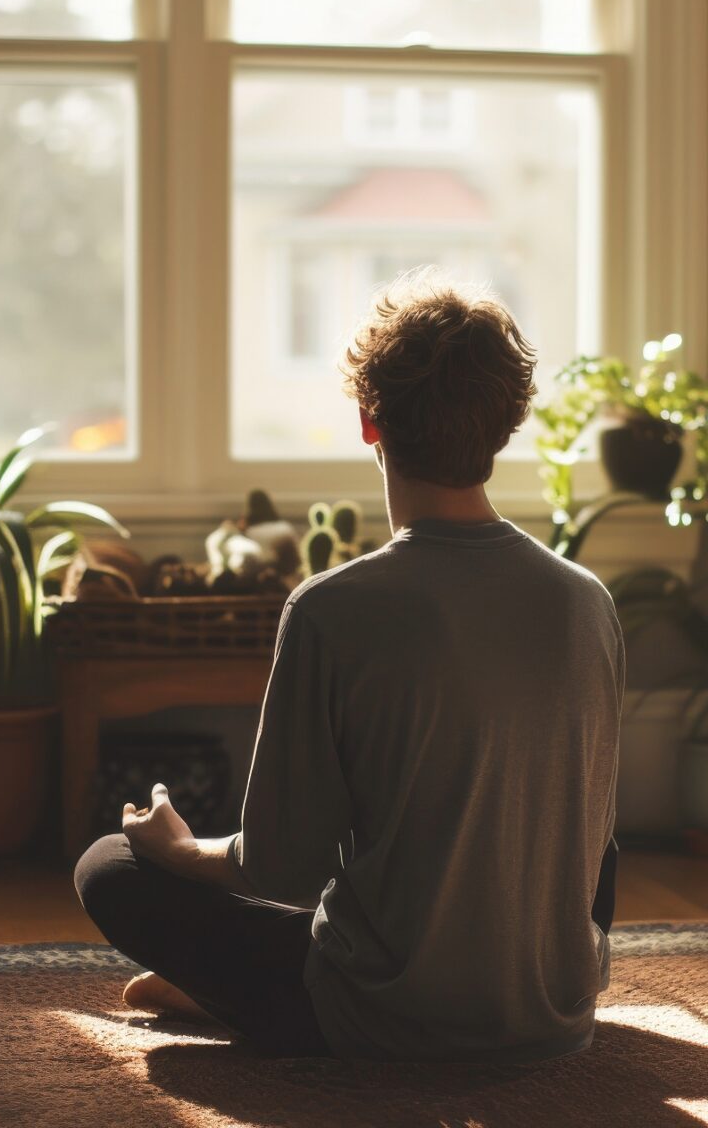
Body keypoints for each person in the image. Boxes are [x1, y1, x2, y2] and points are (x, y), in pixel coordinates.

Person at [74, 272, 623, 1062]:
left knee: (109, 866)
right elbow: (593, 843)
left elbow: (282, 868)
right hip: (553, 1013)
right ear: (507, 427)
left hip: (389, 1017)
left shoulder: (330, 608)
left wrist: (179, 849)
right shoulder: (589, 601)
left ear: (371, 421)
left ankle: (238, 993)